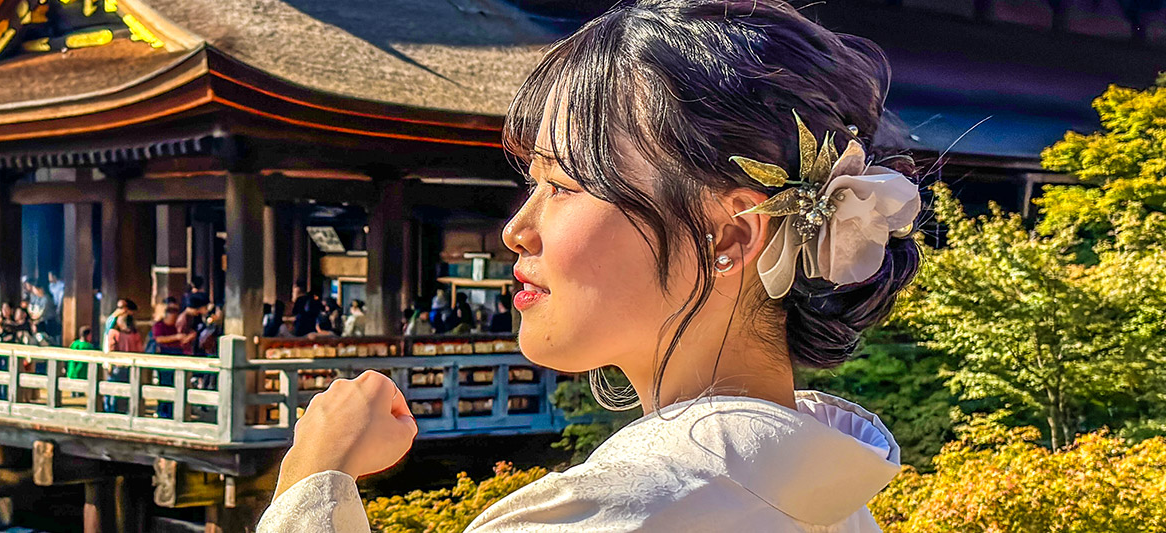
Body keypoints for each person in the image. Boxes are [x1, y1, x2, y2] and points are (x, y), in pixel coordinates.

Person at [259, 2, 921, 531]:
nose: (516, 229)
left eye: (565, 184)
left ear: (729, 232)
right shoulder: (830, 498)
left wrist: (313, 479)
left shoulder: (607, 513)